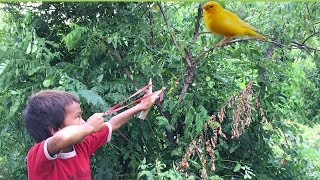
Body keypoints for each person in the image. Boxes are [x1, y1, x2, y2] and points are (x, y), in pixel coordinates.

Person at [23, 87, 163, 179]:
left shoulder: (82, 145)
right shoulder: (38, 158)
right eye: (78, 117)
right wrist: (90, 126)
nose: (83, 122)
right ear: (54, 129)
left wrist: (140, 106)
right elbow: (60, 139)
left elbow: (112, 124)